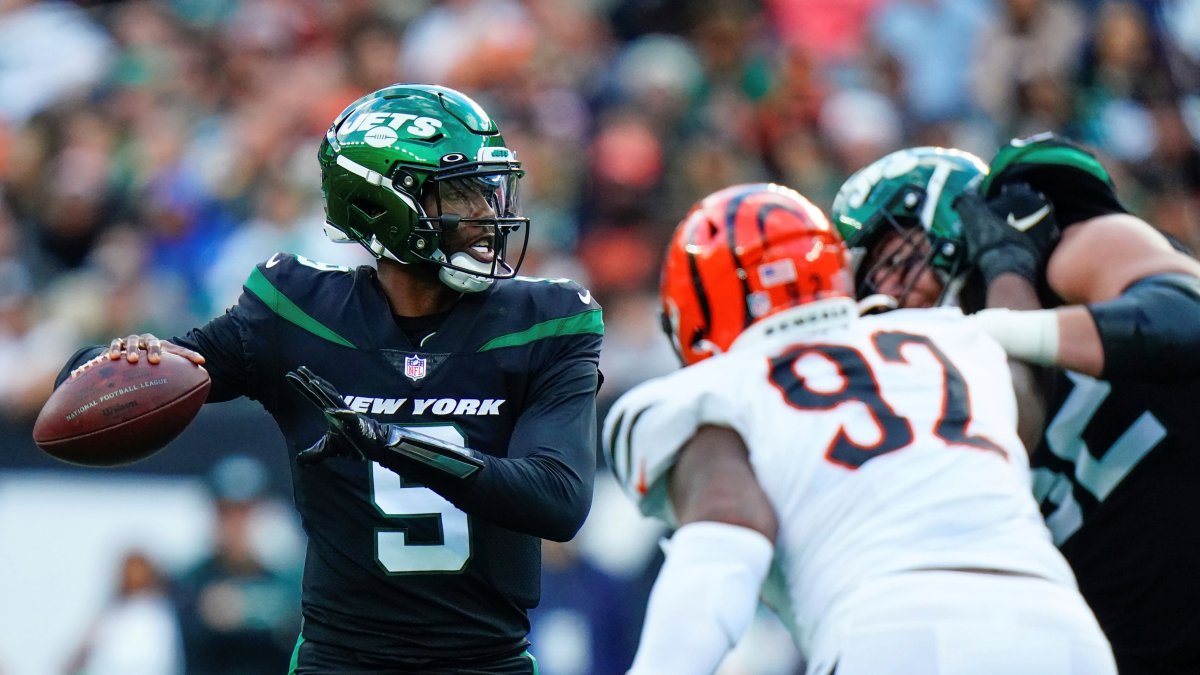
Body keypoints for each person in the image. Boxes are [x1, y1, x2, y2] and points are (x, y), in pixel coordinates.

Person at [53, 84, 604, 674]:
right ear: (383, 204)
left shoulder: (545, 321)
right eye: (460, 193)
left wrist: (393, 443)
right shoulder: (296, 311)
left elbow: (559, 500)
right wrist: (119, 358)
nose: (487, 216)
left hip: (488, 660)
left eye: (489, 190)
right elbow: (90, 385)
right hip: (342, 661)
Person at [602, 182, 1115, 675]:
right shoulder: (949, 337)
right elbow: (1019, 407)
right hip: (1060, 624)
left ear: (692, 312)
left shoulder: (711, 388)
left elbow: (731, 528)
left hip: (892, 630)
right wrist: (1009, 266)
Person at [830, 134, 1200, 674]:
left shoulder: (1067, 257)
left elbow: (1183, 319)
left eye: (894, 260)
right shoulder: (909, 403)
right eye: (862, 284)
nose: (881, 294)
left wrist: (1005, 299)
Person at [171, 455, 301, 675]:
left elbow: (298, 627)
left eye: (245, 512)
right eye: (226, 513)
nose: (236, 525)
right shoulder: (192, 579)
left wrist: (247, 607)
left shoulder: (294, 579)